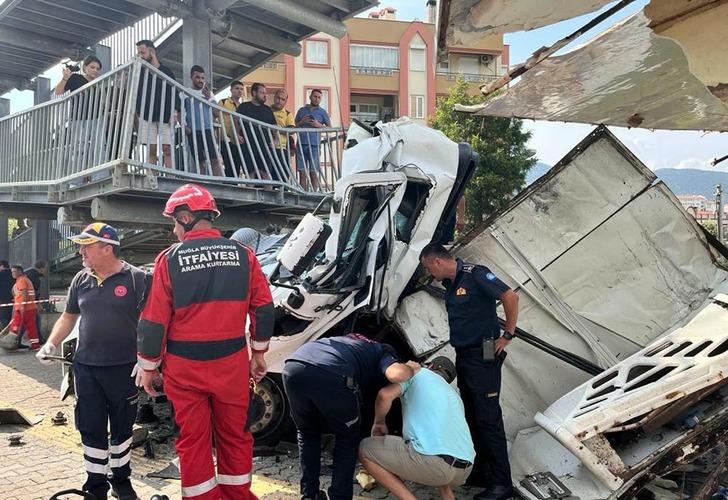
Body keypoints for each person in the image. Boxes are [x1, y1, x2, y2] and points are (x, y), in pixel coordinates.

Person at [136, 183, 274, 500]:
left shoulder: (169, 260)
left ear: (185, 217)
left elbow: (154, 321)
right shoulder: (244, 255)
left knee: (193, 439)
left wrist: (148, 367)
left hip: (185, 370)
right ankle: (237, 495)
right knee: (236, 434)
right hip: (232, 364)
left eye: (174, 222)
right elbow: (264, 310)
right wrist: (259, 354)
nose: (174, 231)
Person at [36, 223, 147, 500]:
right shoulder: (80, 279)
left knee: (122, 427)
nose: (81, 250)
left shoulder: (136, 278)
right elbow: (69, 316)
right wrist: (51, 343)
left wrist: (147, 360)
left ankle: (121, 480)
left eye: (87, 245)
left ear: (107, 248)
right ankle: (95, 485)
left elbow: (151, 322)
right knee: (90, 427)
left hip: (124, 368)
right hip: (86, 369)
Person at [419, 244, 519, 500]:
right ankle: (483, 473)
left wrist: (507, 334)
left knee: (489, 420)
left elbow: (510, 296)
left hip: (483, 357)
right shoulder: (451, 284)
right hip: (465, 357)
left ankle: (502, 484)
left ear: (437, 262)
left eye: (428, 267)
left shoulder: (476, 274)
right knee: (473, 417)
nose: (429, 272)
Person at [282, 333, 414, 500]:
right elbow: (397, 374)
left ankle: (310, 495)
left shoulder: (349, 342)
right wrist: (410, 367)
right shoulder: (382, 351)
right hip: (331, 373)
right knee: (347, 437)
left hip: (292, 367)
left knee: (307, 433)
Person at [359, 357, 475, 500]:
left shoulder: (417, 373)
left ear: (430, 366)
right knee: (432, 446)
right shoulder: (454, 396)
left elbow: (385, 395)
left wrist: (379, 423)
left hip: (435, 465)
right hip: (464, 471)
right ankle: (448, 495)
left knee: (365, 449)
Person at [136, 39, 177, 168]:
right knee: (151, 148)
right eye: (138, 53)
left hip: (165, 115)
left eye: (142, 52)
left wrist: (174, 112)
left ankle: (170, 177)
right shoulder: (140, 72)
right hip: (146, 115)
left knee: (167, 148)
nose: (140, 55)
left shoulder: (166, 71)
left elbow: (174, 93)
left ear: (151, 51)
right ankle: (151, 177)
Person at [182, 65, 223, 176]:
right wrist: (184, 126)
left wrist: (209, 98)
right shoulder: (185, 93)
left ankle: (219, 184)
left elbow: (217, 113)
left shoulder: (209, 94)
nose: (200, 80)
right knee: (199, 160)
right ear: (191, 77)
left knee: (214, 159)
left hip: (208, 130)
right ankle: (203, 183)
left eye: (202, 78)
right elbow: (180, 112)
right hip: (193, 131)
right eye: (197, 77)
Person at [236, 83, 278, 180]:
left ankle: (269, 195)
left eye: (265, 93)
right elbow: (236, 121)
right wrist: (237, 134)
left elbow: (274, 125)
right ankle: (249, 195)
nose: (264, 95)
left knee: (266, 172)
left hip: (265, 145)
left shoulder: (268, 109)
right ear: (254, 93)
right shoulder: (244, 107)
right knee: (250, 172)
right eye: (261, 92)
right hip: (248, 145)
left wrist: (276, 140)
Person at [295, 89, 331, 191]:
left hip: (315, 145)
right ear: (310, 97)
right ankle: (303, 194)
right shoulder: (301, 110)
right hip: (301, 144)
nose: (316, 99)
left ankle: (314, 194)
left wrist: (318, 125)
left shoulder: (322, 112)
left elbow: (330, 128)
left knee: (313, 172)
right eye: (315, 96)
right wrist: (302, 122)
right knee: (302, 173)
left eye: (319, 97)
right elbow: (294, 126)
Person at [219, 81, 246, 178]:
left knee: (237, 166)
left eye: (241, 89)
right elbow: (218, 118)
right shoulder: (223, 102)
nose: (239, 91)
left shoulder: (243, 106)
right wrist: (223, 136)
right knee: (229, 165)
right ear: (231, 90)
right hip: (226, 138)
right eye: (237, 88)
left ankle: (235, 185)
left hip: (238, 140)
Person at [9, 265, 40, 349]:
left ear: (20, 272)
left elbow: (24, 293)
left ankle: (11, 343)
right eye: (12, 272)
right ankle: (35, 345)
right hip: (28, 308)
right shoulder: (22, 280)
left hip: (24, 308)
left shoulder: (22, 280)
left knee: (15, 326)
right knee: (30, 327)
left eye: (14, 271)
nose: (13, 273)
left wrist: (22, 305)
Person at [271, 89, 296, 181]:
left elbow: (292, 130)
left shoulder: (288, 114)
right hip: (266, 147)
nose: (279, 101)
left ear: (285, 101)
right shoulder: (266, 110)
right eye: (278, 98)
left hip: (281, 148)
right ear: (274, 97)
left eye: (282, 99)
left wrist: (277, 129)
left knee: (282, 177)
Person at [24, 260, 47, 343]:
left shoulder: (27, 273)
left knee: (25, 321)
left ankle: (17, 339)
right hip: (30, 303)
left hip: (24, 302)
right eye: (44, 268)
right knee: (36, 320)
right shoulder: (35, 277)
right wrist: (37, 303)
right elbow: (34, 292)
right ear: (42, 268)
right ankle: (39, 339)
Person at [0, 260, 15, 327]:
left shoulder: (1, 274)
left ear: (2, 266)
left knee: (3, 317)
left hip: (2, 299)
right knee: (10, 317)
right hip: (13, 299)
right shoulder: (13, 274)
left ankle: (4, 332)